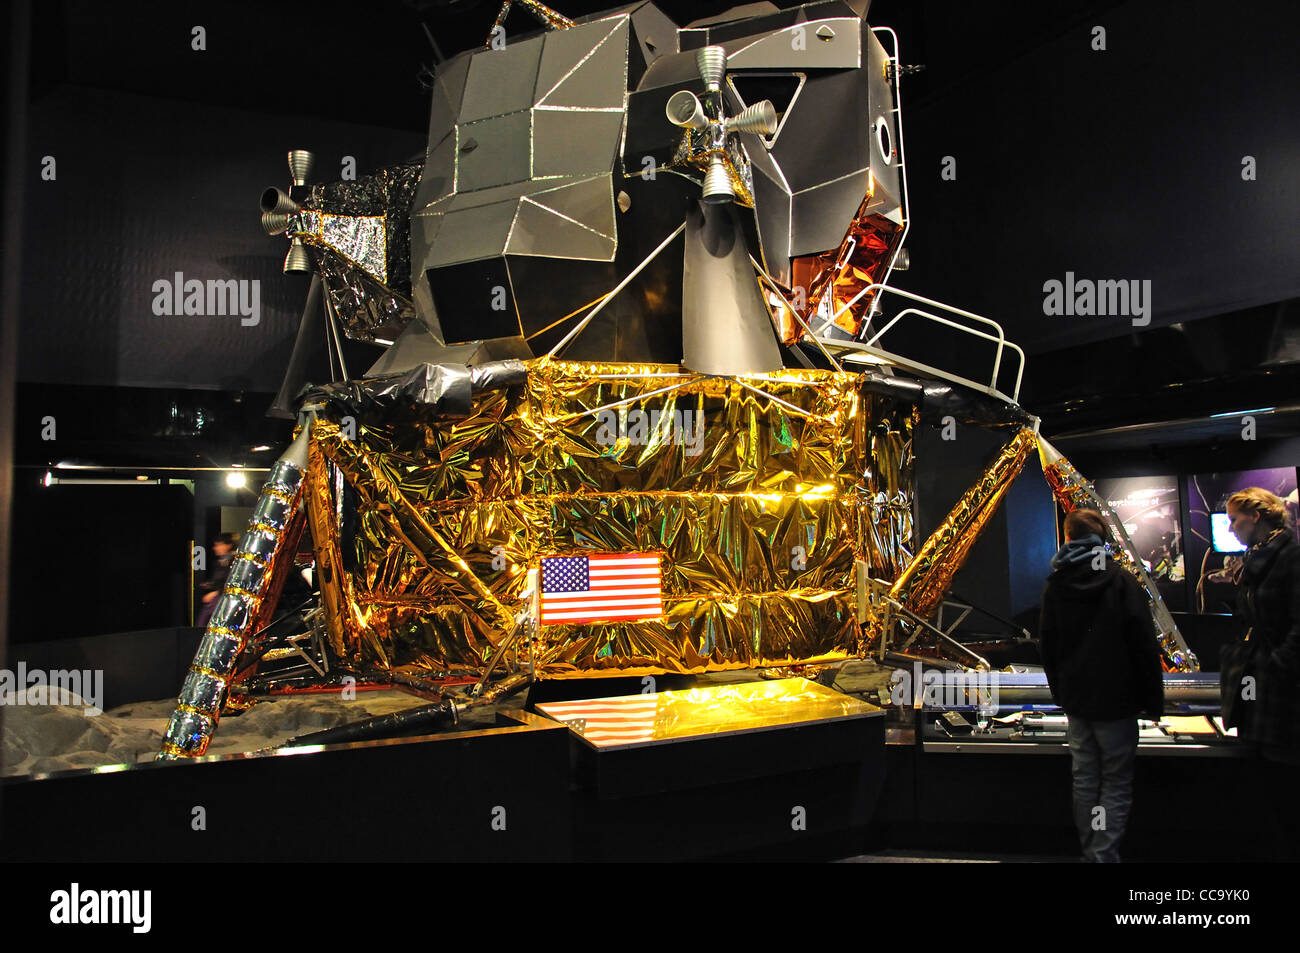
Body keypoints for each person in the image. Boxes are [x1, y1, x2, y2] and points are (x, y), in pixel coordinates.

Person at [1039, 508, 1164, 863]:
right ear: (1103, 539)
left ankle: (1089, 851)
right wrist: (1153, 701)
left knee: (1084, 778)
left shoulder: (1055, 585)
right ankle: (1102, 855)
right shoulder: (1122, 581)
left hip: (1078, 703)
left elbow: (1047, 646)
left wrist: (1060, 694)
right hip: (1118, 702)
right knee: (1116, 780)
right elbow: (1143, 645)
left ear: (1067, 537)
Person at [1225, 487, 1300, 859]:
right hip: (1259, 692)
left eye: (1234, 518)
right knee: (1264, 790)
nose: (1231, 526)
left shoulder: (1291, 557)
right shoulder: (1257, 559)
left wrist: (1277, 667)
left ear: (1256, 516)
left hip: (1282, 695)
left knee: (1284, 789)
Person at [196, 532, 238, 627]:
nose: (215, 548)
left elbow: (232, 582)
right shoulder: (219, 563)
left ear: (228, 546)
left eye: (219, 545)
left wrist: (216, 593)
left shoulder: (234, 562)